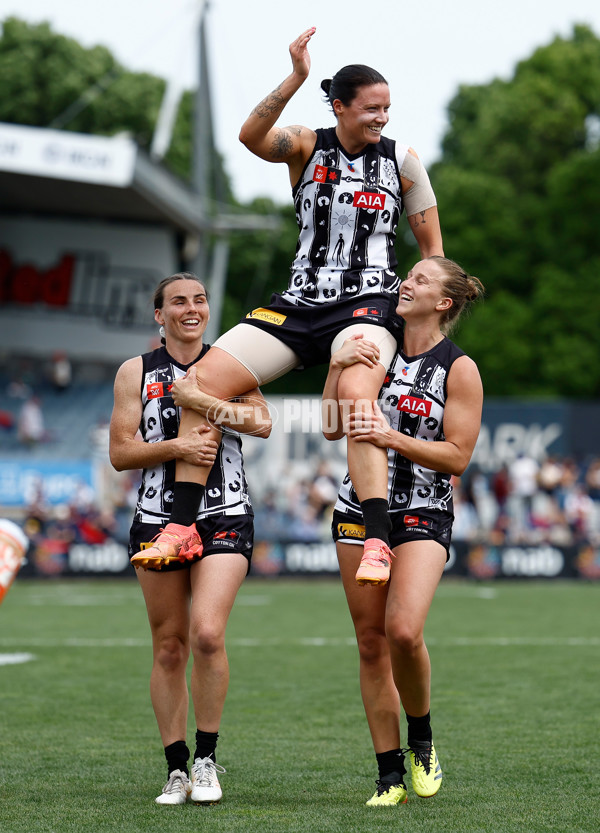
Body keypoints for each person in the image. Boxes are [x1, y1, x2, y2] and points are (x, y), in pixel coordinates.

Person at [133, 26, 444, 568]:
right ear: (340, 107)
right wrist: (296, 76)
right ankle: (181, 527)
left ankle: (375, 539)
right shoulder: (305, 145)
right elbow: (251, 137)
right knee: (198, 382)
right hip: (299, 301)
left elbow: (433, 254)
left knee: (355, 388)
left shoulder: (403, 163)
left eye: (387, 108)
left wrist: (425, 327)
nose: (382, 118)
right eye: (371, 108)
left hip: (368, 303)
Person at [323, 256, 484, 805]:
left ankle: (422, 738)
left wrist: (393, 439)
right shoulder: (374, 345)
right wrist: (334, 365)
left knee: (403, 632)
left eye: (418, 280)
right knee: (370, 645)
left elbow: (457, 456)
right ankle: (388, 774)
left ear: (444, 303)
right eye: (406, 276)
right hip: (356, 511)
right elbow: (330, 427)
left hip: (422, 512)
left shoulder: (457, 368)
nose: (404, 284)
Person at [109, 272, 271, 806]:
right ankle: (175, 769)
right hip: (156, 517)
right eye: (178, 301)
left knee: (206, 634)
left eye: (199, 299)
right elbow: (122, 451)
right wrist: (176, 447)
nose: (191, 308)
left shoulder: (231, 363)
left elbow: (261, 422)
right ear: (160, 314)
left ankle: (206, 760)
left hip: (226, 512)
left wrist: (207, 401)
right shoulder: (135, 371)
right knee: (170, 646)